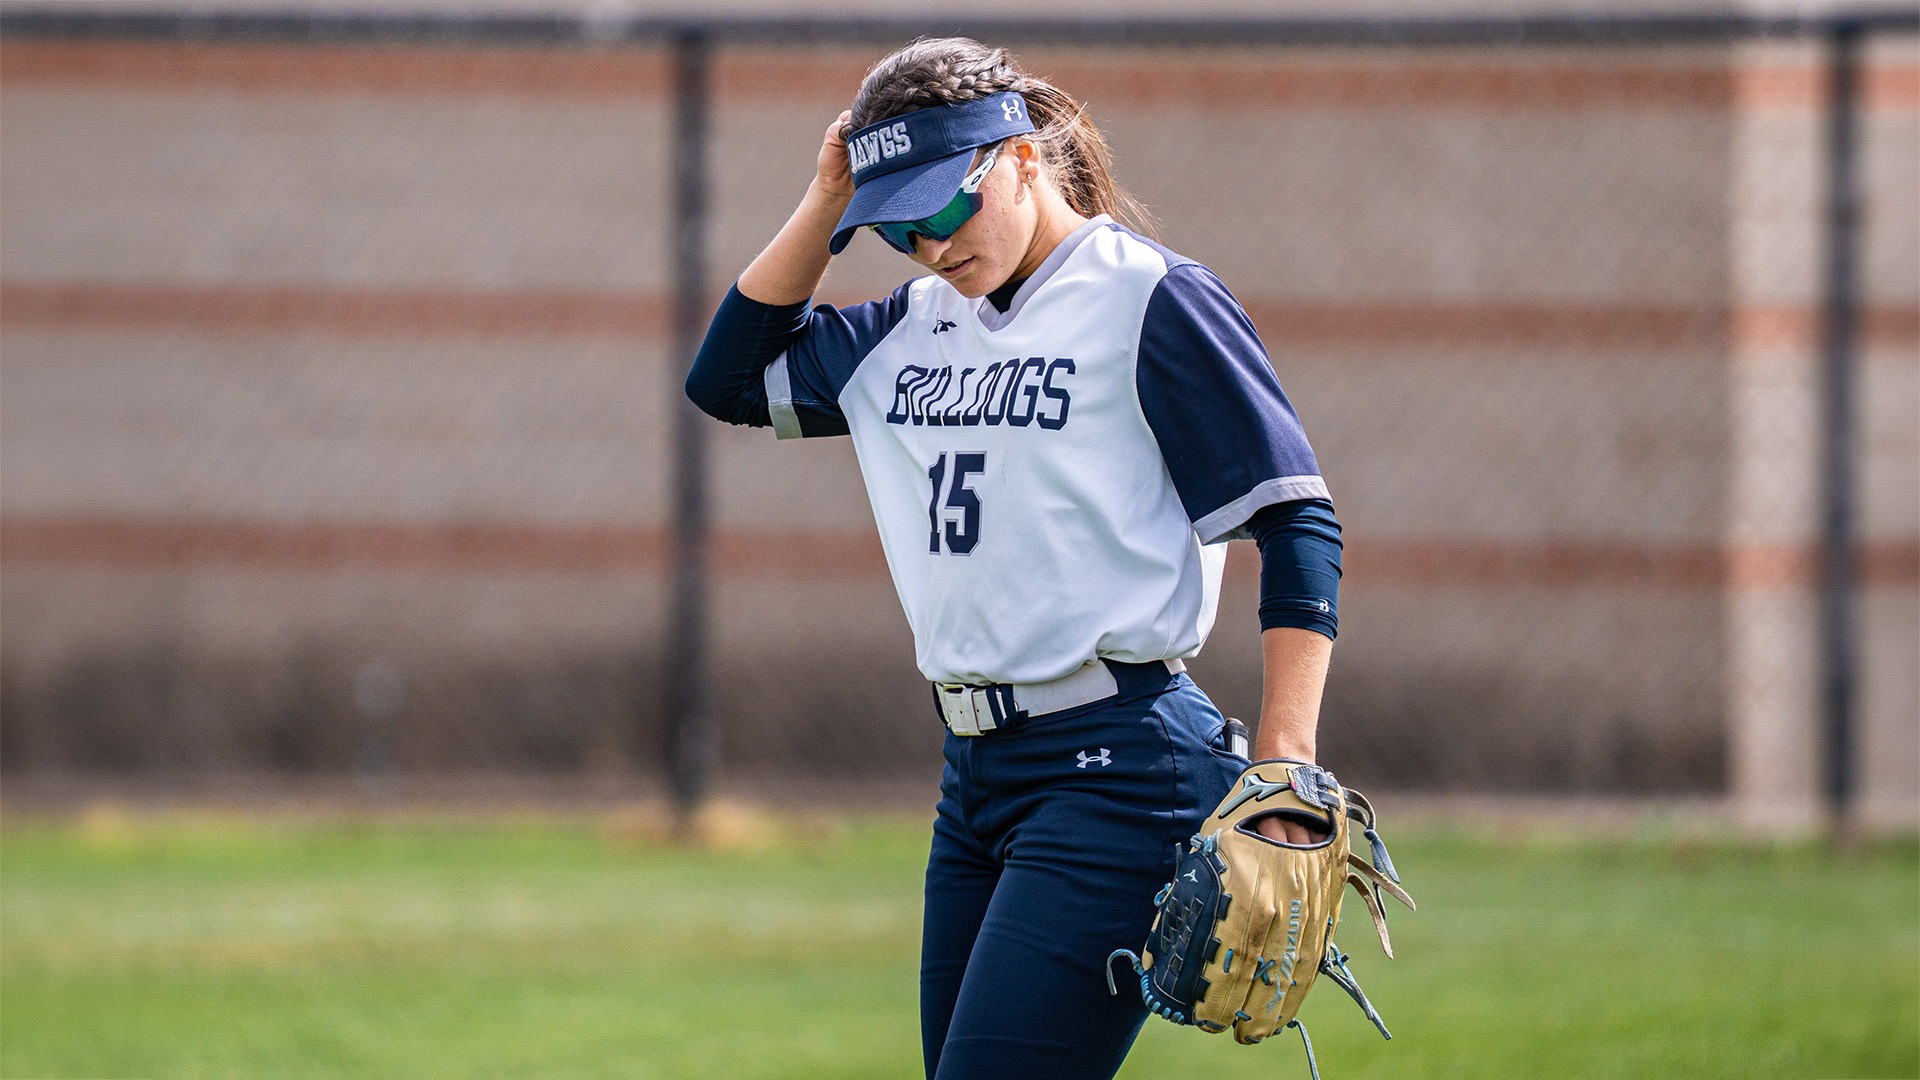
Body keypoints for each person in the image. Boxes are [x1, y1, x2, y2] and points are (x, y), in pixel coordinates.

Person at [685, 37, 1343, 1080]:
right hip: (977, 780)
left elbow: (1296, 522)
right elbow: (725, 380)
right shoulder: (908, 328)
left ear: (1025, 158)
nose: (930, 244)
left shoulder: (1149, 298)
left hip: (1121, 767)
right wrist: (828, 201)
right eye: (897, 228)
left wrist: (1285, 765)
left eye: (948, 206)